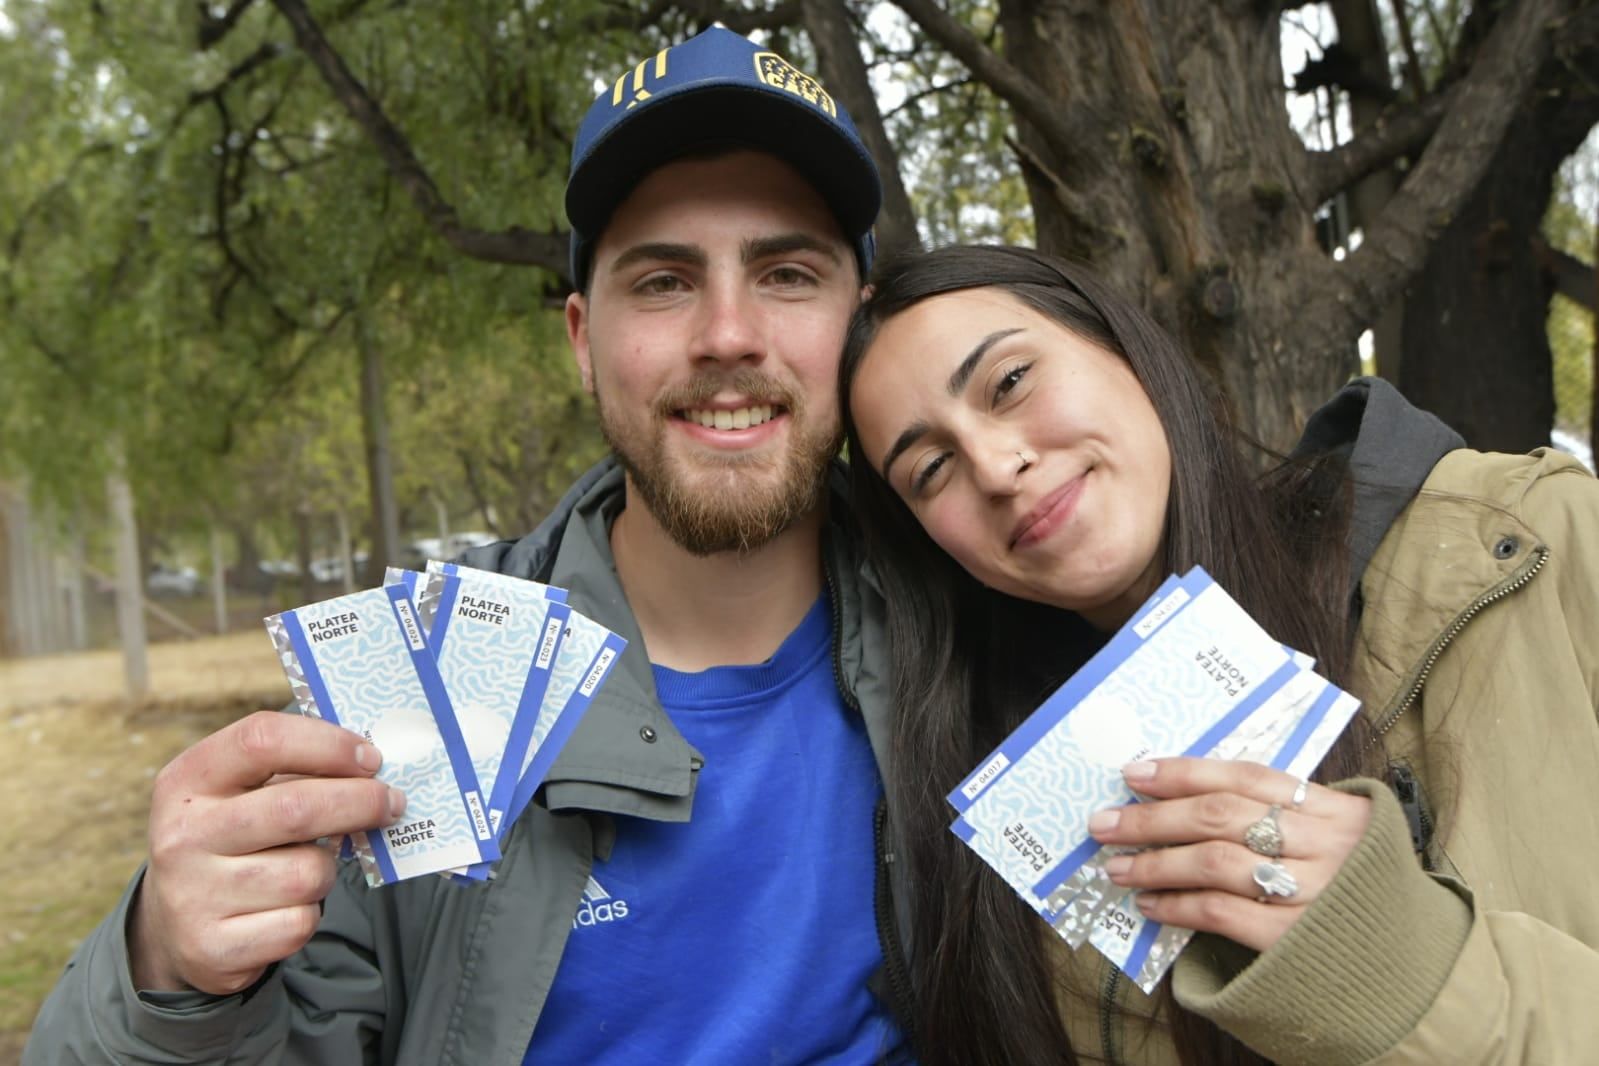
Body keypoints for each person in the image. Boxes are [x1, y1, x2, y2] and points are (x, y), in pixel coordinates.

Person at [25, 27, 915, 1065]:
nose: (727, 333)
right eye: (663, 282)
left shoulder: (973, 622)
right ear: (582, 340)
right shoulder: (422, 679)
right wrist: (167, 972)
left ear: (860, 324)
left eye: (788, 274)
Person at [838, 243, 1599, 1065]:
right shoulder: (1007, 877)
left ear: (1127, 348)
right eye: (930, 468)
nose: (995, 467)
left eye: (1011, 381)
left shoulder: (1537, 539)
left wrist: (1409, 968)